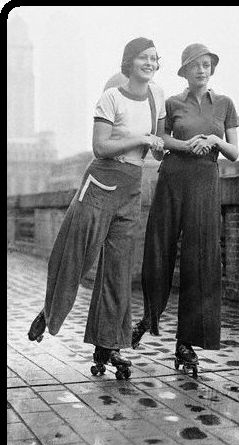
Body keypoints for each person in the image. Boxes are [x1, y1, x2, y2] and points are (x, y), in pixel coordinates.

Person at [28, 37, 166, 379]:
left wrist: (177, 146)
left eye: (154, 58)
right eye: (143, 58)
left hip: (132, 188)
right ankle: (50, 310)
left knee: (118, 272)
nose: (150, 63)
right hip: (101, 183)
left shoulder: (156, 96)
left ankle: (110, 344)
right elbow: (101, 146)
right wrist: (142, 140)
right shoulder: (111, 96)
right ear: (129, 62)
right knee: (76, 254)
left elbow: (159, 146)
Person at [132, 43, 239, 376]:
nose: (202, 69)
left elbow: (234, 152)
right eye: (195, 64)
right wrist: (188, 144)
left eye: (207, 65)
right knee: (158, 249)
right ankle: (149, 317)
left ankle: (186, 344)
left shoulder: (225, 104)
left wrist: (213, 140)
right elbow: (159, 143)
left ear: (212, 69)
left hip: (205, 182)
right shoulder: (172, 103)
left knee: (201, 259)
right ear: (184, 70)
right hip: (173, 178)